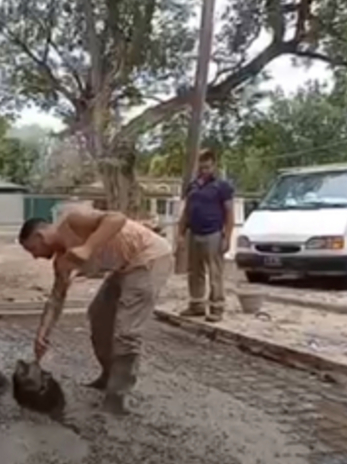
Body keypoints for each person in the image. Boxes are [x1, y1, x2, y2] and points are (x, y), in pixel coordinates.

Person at [17, 206, 173, 414]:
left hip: (150, 257)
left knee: (126, 332)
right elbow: (56, 298)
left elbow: (117, 218)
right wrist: (42, 333)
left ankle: (117, 397)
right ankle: (108, 375)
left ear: (40, 236)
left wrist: (88, 247)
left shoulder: (72, 221)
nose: (35, 257)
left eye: (32, 249)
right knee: (99, 315)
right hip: (124, 266)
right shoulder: (62, 261)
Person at [177, 149, 235, 323]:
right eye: (202, 167)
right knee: (194, 271)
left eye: (208, 167)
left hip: (213, 233)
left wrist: (227, 237)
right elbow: (186, 212)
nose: (204, 171)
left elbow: (229, 213)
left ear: (214, 166)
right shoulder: (193, 186)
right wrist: (180, 234)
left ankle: (217, 307)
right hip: (194, 232)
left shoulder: (222, 186)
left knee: (215, 272)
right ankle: (196, 305)